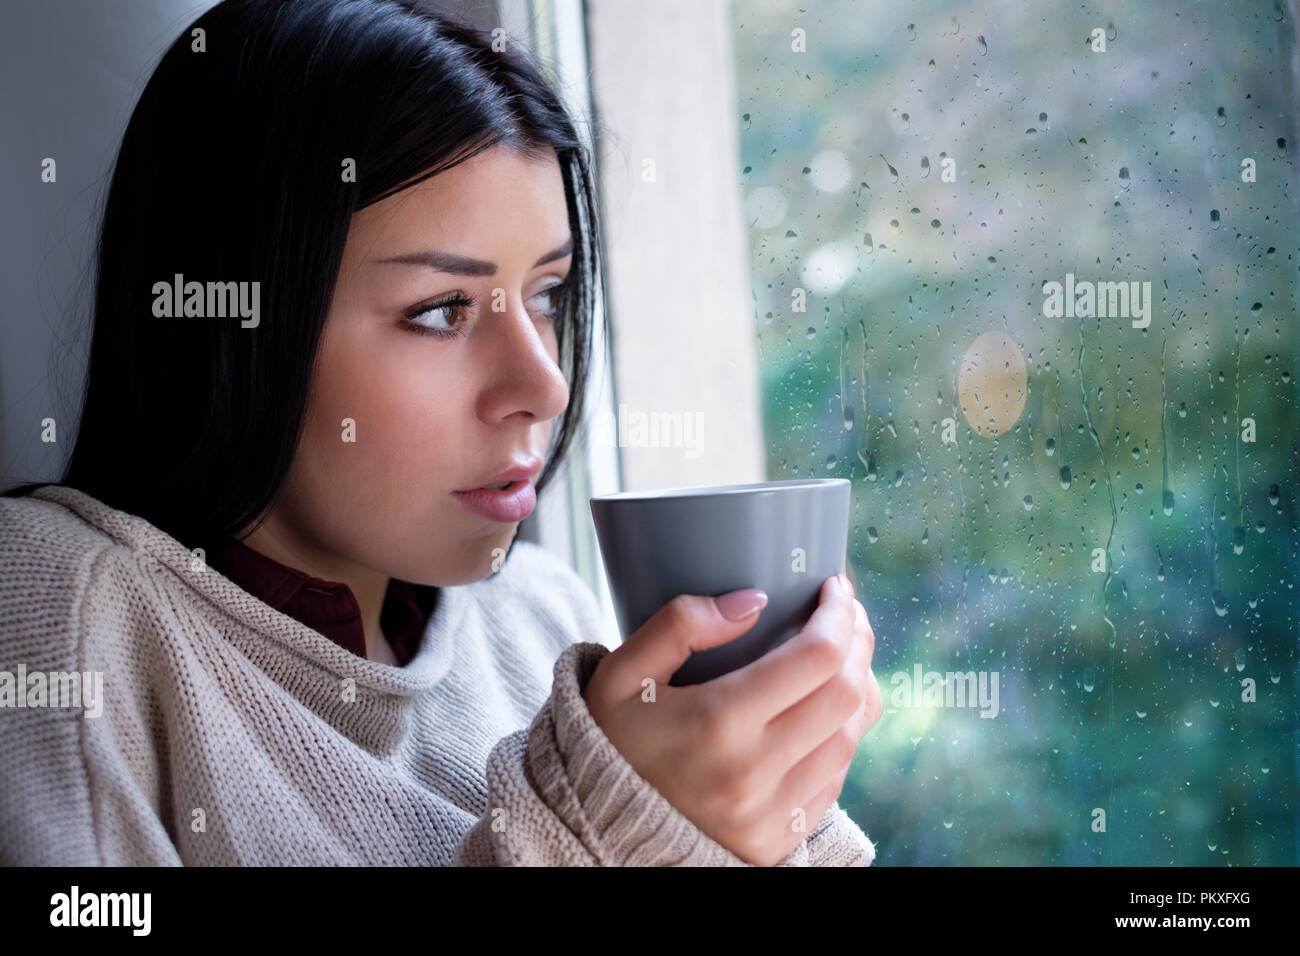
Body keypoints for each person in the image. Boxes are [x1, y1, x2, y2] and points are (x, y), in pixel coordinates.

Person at [0, 0, 882, 866]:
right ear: (233, 324)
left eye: (547, 296)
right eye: (439, 311)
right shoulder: (60, 611)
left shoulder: (543, 618)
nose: (545, 383)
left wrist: (769, 809)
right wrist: (610, 837)